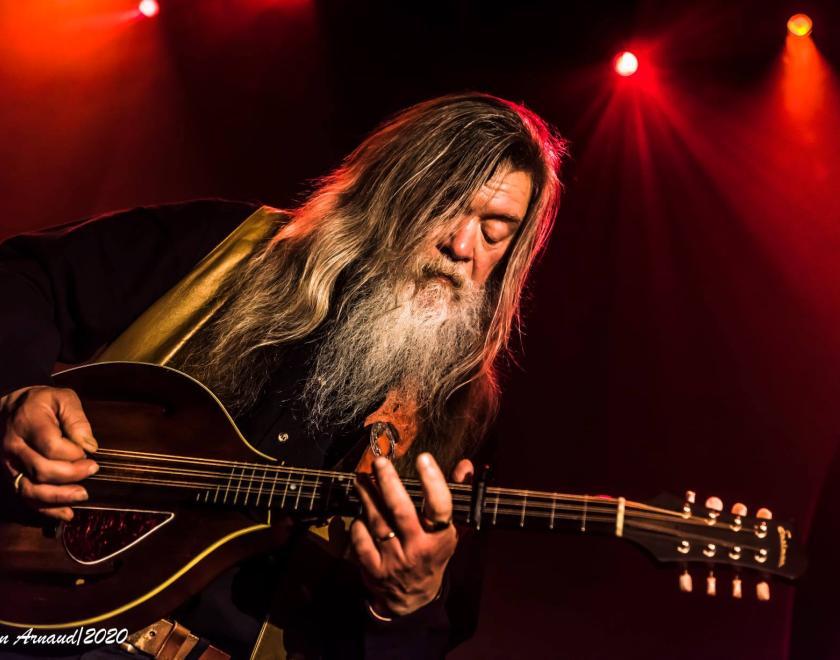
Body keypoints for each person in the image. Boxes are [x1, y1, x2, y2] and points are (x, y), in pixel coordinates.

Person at [0, 93, 566, 658]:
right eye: (443, 206)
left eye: (495, 229)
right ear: (391, 191)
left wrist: (406, 603)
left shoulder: (463, 413)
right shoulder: (226, 247)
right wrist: (16, 391)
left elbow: (432, 634)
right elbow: (21, 276)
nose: (461, 246)